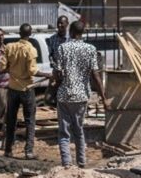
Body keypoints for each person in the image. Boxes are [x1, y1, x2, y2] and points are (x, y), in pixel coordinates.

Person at [55, 20, 107, 168]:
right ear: (82, 32)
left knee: (64, 132)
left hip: (64, 94)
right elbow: (95, 75)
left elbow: (58, 73)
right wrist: (103, 97)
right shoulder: (90, 49)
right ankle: (82, 162)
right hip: (81, 96)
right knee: (78, 131)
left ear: (71, 31)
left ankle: (66, 163)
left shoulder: (62, 48)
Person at [1, 23, 41, 159]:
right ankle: (28, 151)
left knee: (11, 120)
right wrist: (48, 75)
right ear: (30, 34)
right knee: (30, 121)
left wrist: (12, 69)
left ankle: (8, 150)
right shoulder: (31, 49)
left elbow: (2, 66)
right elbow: (32, 71)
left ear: (19, 33)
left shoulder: (9, 47)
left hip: (12, 88)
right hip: (26, 89)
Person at [45, 15, 69, 106]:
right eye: (58, 23)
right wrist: (56, 68)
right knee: (48, 99)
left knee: (66, 99)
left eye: (62, 24)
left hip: (68, 74)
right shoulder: (52, 39)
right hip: (56, 74)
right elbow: (50, 56)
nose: (59, 25)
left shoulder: (71, 39)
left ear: (67, 24)